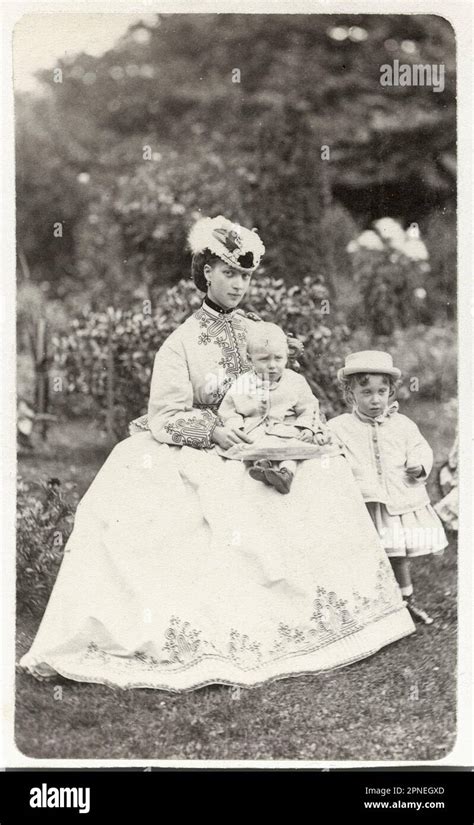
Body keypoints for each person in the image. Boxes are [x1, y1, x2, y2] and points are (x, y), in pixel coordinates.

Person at [20, 217, 414, 692]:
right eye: (229, 273)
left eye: (245, 276)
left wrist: (292, 423)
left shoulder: (258, 331)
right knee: (213, 498)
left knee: (325, 471)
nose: (238, 284)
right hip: (207, 446)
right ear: (206, 272)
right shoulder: (181, 342)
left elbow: (284, 382)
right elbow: (165, 413)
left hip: (265, 440)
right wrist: (213, 432)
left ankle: (339, 616)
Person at [328, 350, 448, 626]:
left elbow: (420, 447)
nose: (375, 399)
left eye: (382, 391)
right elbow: (330, 453)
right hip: (363, 502)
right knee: (365, 554)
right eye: (366, 392)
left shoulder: (402, 425)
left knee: (397, 553)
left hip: (395, 500)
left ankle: (406, 601)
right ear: (350, 393)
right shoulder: (340, 427)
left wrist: (418, 465)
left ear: (391, 392)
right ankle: (369, 604)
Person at [217, 321, 334, 493]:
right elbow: (229, 410)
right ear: (250, 359)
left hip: (286, 430)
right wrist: (236, 428)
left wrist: (308, 428)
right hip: (254, 431)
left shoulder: (295, 381)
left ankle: (286, 474)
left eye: (278, 358)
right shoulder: (242, 383)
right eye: (264, 359)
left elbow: (309, 408)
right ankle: (262, 467)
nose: (272, 365)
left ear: (286, 356)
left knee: (292, 449)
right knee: (253, 448)